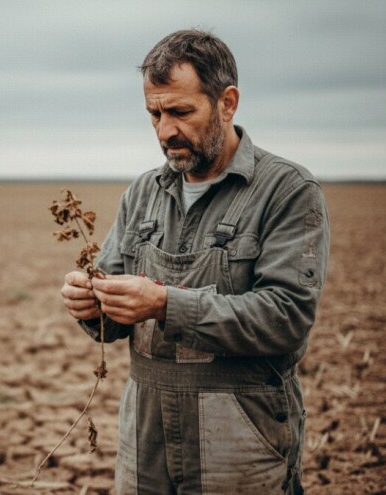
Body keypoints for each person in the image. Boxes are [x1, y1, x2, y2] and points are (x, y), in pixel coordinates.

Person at [60, 29, 329, 494]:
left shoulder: (287, 191)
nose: (165, 130)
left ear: (227, 103)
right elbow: (115, 318)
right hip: (144, 440)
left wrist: (166, 304)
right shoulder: (143, 192)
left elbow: (287, 317)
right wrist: (92, 306)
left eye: (181, 112)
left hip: (242, 439)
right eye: (154, 114)